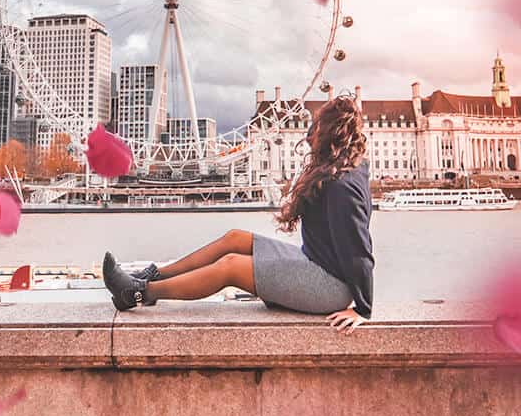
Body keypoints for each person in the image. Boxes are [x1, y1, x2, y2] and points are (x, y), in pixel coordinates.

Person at [103, 95, 374, 334]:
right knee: (235, 238)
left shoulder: (342, 186)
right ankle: (153, 275)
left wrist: (363, 308)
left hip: (330, 286)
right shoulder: (343, 168)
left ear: (329, 134)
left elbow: (359, 252)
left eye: (314, 127)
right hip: (315, 261)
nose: (307, 134)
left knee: (231, 266)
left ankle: (138, 293)